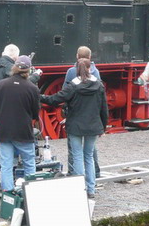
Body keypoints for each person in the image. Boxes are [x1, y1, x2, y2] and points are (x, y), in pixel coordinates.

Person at [41, 58, 108, 199]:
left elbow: (55, 99)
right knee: (89, 156)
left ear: (77, 70)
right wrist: (103, 127)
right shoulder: (99, 85)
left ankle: (80, 189)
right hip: (93, 126)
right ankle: (91, 189)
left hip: (76, 126)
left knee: (77, 156)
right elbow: (104, 109)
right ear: (90, 69)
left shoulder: (73, 86)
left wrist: (39, 96)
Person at [0, 55, 40, 192]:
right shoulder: (32, 88)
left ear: (15, 67)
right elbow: (35, 112)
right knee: (29, 163)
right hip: (23, 131)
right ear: (29, 70)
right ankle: (30, 192)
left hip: (4, 130)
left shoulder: (1, 84)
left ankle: (8, 193)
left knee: (6, 164)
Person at [63, 46, 102, 177]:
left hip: (75, 116)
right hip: (91, 117)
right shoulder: (96, 73)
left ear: (77, 56)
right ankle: (95, 174)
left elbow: (65, 93)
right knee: (89, 152)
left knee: (76, 152)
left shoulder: (71, 72)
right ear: (90, 57)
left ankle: (74, 175)